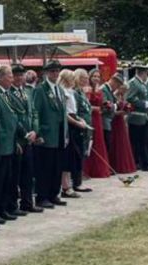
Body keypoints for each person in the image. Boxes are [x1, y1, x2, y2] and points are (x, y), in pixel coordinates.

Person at [0, 64, 28, 219]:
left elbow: (13, 117)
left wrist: (24, 135)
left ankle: (5, 207)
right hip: (2, 143)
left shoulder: (5, 93)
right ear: (0, 77)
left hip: (10, 142)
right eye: (10, 76)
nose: (12, 79)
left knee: (7, 178)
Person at [32, 60, 69, 208]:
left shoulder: (59, 90)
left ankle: (54, 193)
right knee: (45, 167)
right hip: (47, 133)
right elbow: (36, 112)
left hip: (59, 132)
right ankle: (43, 196)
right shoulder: (41, 89)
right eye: (52, 71)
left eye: (57, 71)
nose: (55, 74)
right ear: (47, 73)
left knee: (57, 166)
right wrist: (39, 131)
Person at [10, 64, 39, 215]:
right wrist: (24, 133)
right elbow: (14, 117)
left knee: (28, 172)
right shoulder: (9, 93)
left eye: (21, 75)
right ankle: (13, 204)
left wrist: (34, 130)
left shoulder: (27, 91)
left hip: (29, 137)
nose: (19, 78)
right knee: (16, 173)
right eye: (16, 75)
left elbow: (33, 112)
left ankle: (27, 202)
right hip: (19, 137)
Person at [58, 69, 90, 197]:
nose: (73, 81)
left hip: (74, 121)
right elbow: (65, 113)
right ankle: (66, 186)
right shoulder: (64, 92)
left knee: (74, 156)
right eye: (71, 78)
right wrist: (76, 122)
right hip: (69, 126)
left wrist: (80, 119)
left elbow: (74, 111)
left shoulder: (71, 92)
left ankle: (70, 184)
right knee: (67, 157)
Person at [126, 65, 148, 172]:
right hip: (136, 117)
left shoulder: (141, 83)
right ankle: (138, 163)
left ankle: (144, 163)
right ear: (142, 72)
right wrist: (143, 103)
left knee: (143, 141)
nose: (147, 76)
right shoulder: (133, 83)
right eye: (146, 73)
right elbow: (130, 97)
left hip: (143, 116)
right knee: (136, 142)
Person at [83, 70, 112, 178]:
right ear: (90, 77)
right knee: (91, 142)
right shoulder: (87, 89)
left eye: (98, 76)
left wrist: (105, 106)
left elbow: (102, 104)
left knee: (99, 141)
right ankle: (88, 169)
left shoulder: (99, 89)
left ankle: (99, 168)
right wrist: (95, 108)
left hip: (98, 118)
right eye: (94, 76)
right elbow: (84, 105)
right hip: (90, 117)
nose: (96, 78)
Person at [109, 84, 137, 174]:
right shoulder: (113, 95)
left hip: (121, 121)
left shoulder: (122, 97)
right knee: (116, 141)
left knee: (123, 141)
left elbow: (126, 106)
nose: (125, 92)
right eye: (124, 89)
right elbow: (112, 110)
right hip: (115, 121)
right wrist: (119, 112)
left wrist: (127, 110)